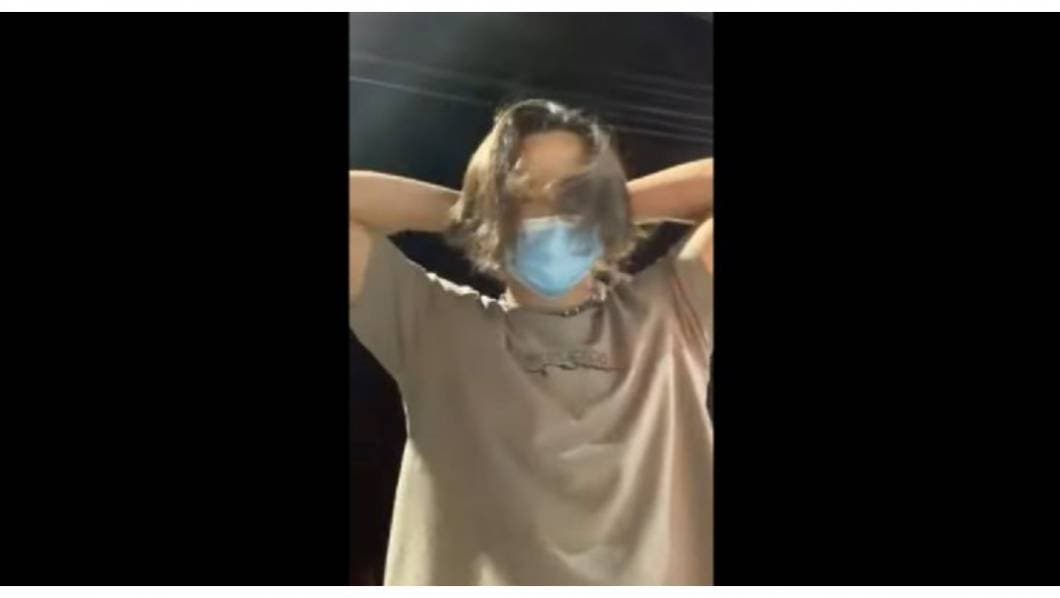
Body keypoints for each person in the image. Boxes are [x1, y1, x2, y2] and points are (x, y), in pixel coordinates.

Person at [349, 99, 713, 585]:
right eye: (523, 197)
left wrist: (609, 205)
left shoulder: (671, 311)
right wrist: (475, 211)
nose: (551, 216)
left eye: (575, 194)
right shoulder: (431, 325)